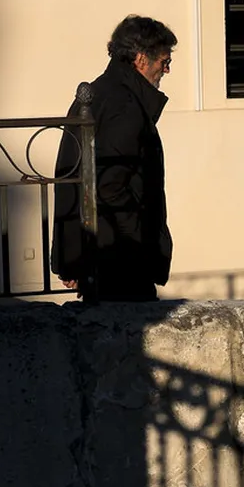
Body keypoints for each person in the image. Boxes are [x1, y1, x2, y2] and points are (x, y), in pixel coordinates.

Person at [51, 15, 176, 302]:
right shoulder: (125, 105)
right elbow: (109, 185)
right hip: (119, 256)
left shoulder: (99, 92)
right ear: (141, 59)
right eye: (164, 61)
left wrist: (73, 256)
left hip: (99, 250)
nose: (167, 69)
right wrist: (139, 246)